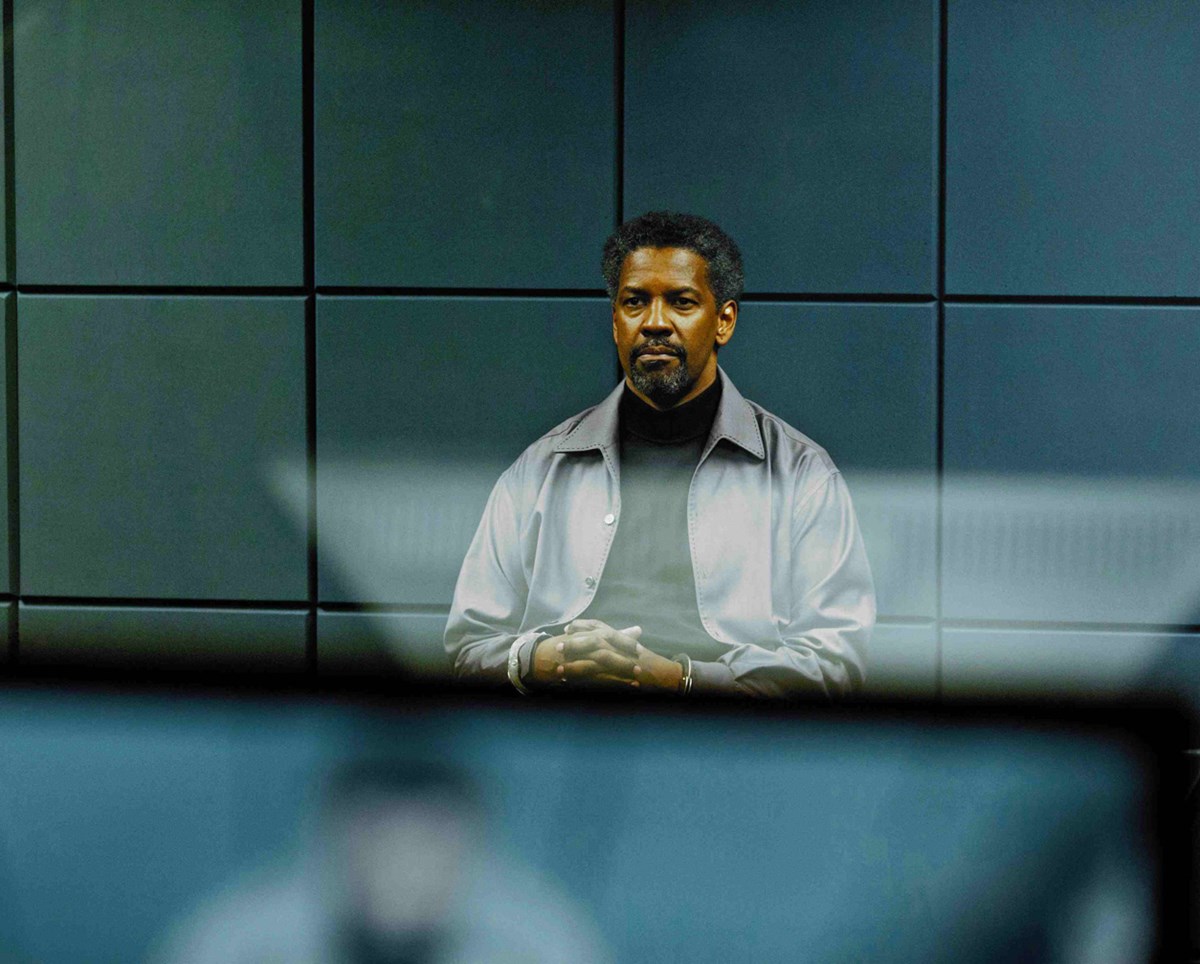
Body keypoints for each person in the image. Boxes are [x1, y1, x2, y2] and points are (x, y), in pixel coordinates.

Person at [445, 211, 874, 698]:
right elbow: (469, 646)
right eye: (634, 302)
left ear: (724, 321)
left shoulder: (801, 474)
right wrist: (545, 661)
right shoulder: (541, 468)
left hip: (725, 738)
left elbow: (836, 664)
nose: (654, 323)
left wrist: (679, 680)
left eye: (681, 302)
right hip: (565, 729)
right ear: (615, 322)